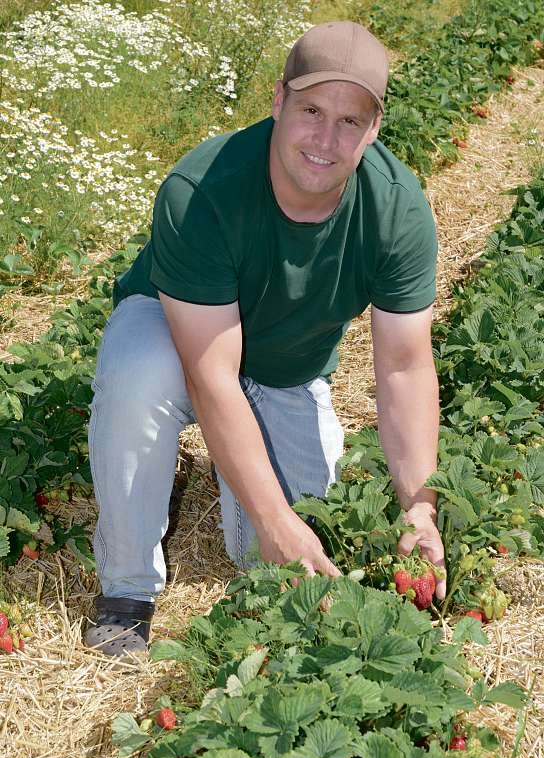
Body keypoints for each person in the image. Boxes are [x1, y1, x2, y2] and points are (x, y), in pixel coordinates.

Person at [84, 20, 446, 657]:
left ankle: (243, 489)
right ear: (278, 100)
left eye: (349, 121)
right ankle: (127, 587)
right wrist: (273, 518)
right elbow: (210, 375)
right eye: (311, 111)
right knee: (140, 377)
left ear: (374, 128)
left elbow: (405, 369)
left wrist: (419, 507)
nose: (325, 140)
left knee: (286, 557)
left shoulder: (396, 211)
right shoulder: (203, 192)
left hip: (287, 366)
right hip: (179, 337)